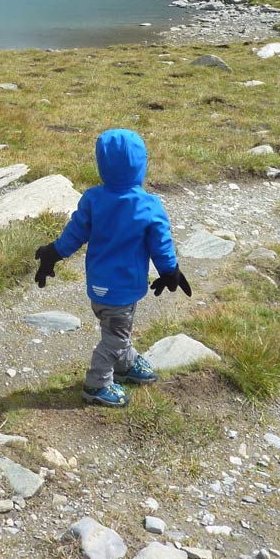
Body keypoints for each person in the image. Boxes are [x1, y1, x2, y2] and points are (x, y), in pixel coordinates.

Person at [34, 128, 191, 408]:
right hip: (123, 290)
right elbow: (161, 242)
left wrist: (52, 254)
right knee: (115, 338)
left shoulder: (94, 199)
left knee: (115, 329)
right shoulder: (148, 204)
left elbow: (74, 235)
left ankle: (126, 363)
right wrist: (170, 271)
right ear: (141, 164)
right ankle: (97, 384)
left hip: (97, 287)